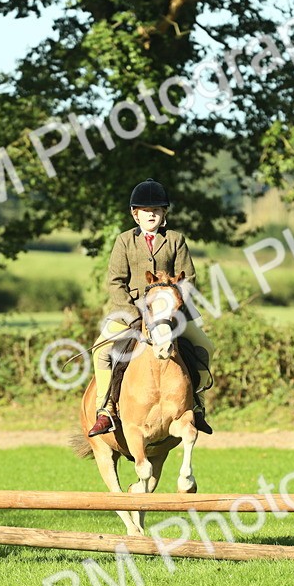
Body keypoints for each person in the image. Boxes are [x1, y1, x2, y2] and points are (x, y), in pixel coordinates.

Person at [87, 177, 214, 437]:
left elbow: (188, 279)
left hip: (170, 314)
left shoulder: (176, 240)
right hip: (130, 312)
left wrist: (174, 310)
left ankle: (197, 405)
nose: (151, 215)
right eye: (146, 211)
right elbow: (115, 281)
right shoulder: (124, 241)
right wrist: (134, 313)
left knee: (205, 347)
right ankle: (106, 409)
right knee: (101, 351)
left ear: (163, 214)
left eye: (156, 210)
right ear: (136, 215)